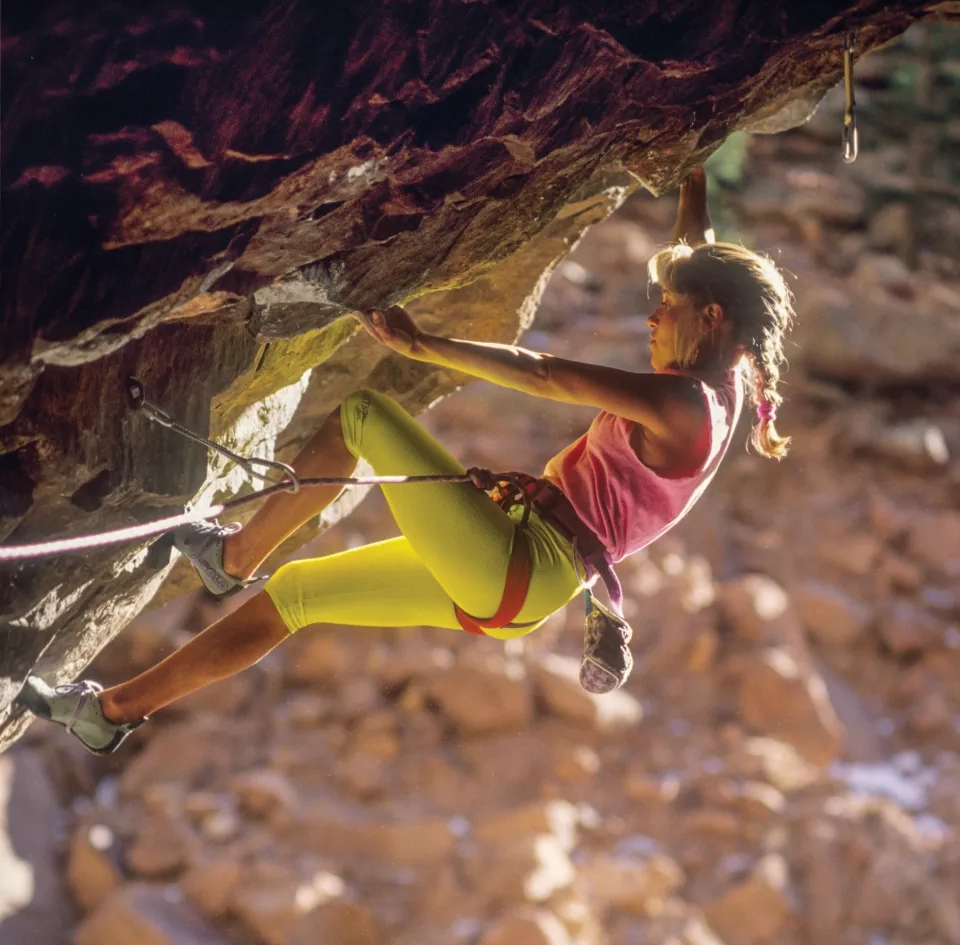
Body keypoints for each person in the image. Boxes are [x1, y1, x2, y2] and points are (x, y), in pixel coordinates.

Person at [17, 167, 794, 754]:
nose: (653, 317)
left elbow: (546, 373)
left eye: (668, 309)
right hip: (521, 572)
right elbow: (693, 256)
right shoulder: (729, 373)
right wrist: (694, 173)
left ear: (711, 317)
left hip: (519, 560)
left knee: (363, 415)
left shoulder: (688, 405)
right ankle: (108, 714)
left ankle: (232, 554)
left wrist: (428, 345)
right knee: (298, 595)